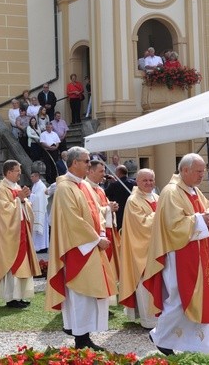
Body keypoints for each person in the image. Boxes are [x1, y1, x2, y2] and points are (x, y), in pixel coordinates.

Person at [143, 153, 209, 355]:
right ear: (184, 170)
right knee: (179, 299)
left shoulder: (194, 190)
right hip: (179, 254)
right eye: (198, 171)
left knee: (201, 298)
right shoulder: (171, 192)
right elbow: (173, 225)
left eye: (203, 171)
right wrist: (200, 219)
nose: (202, 175)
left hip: (200, 254)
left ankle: (198, 345)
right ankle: (160, 335)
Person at [45, 147, 114, 351]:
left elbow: (94, 213)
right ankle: (81, 338)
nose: (88, 164)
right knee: (80, 294)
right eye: (85, 161)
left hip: (89, 246)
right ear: (74, 163)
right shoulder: (66, 187)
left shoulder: (82, 185)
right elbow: (73, 221)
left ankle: (84, 335)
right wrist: (96, 239)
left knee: (89, 292)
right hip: (77, 248)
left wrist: (101, 232)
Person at [0, 160, 40, 309]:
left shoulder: (16, 186)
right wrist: (19, 200)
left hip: (21, 230)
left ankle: (20, 295)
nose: (20, 173)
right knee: (13, 263)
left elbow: (25, 205)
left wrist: (24, 201)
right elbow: (2, 210)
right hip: (10, 234)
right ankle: (11, 297)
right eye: (17, 171)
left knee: (23, 264)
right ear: (9, 172)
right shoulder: (1, 189)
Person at [119, 169, 158, 329]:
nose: (149, 183)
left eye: (151, 180)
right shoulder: (133, 200)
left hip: (158, 247)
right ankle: (148, 320)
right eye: (145, 180)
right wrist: (161, 213)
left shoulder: (157, 197)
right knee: (145, 283)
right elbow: (140, 225)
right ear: (137, 181)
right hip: (142, 249)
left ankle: (160, 318)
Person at [85, 158, 120, 289]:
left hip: (107, 229)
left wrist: (111, 207)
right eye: (101, 171)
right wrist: (108, 209)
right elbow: (91, 211)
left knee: (108, 264)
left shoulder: (99, 189)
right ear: (91, 171)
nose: (103, 174)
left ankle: (108, 295)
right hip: (97, 232)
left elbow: (102, 206)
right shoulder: (86, 188)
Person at [29, 171, 49, 253]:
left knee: (42, 231)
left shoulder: (41, 186)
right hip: (36, 211)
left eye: (32, 176)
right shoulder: (35, 185)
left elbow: (39, 198)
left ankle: (43, 247)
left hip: (41, 213)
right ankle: (37, 246)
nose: (31, 178)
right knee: (36, 231)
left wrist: (30, 194)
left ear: (37, 177)